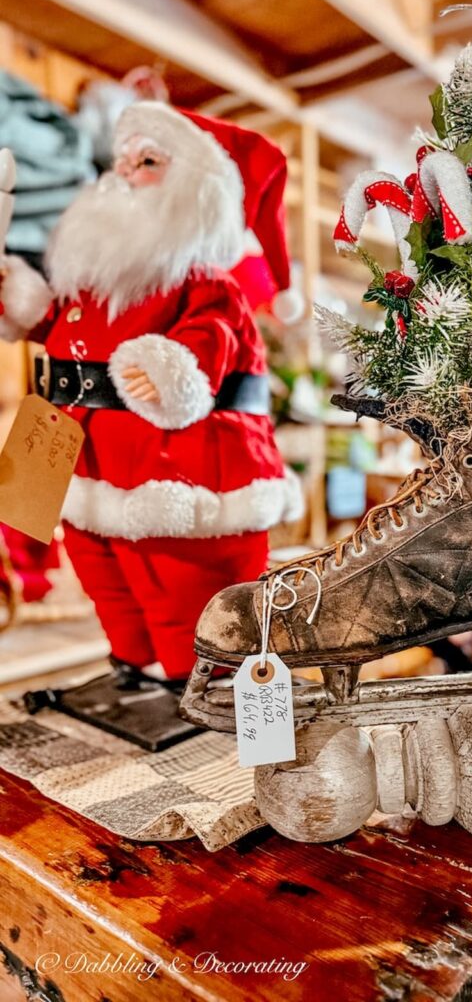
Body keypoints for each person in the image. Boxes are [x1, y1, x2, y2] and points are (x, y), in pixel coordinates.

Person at [0, 102, 302, 680]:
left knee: (182, 594)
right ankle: (132, 668)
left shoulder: (207, 285)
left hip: (179, 478)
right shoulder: (98, 285)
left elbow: (208, 343)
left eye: (146, 161)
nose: (122, 176)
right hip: (87, 469)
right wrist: (21, 298)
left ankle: (199, 689)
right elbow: (58, 327)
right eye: (121, 162)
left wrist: (171, 369)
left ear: (197, 187)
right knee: (111, 591)